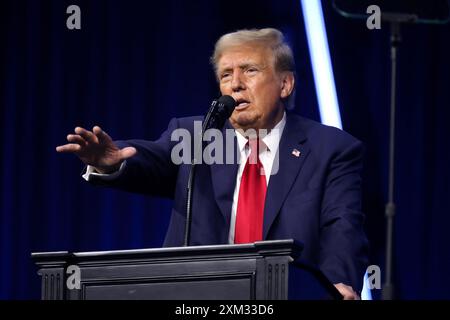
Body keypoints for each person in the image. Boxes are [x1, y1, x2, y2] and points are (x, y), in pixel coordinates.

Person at [56, 28, 368, 299]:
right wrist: (111, 162)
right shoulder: (197, 136)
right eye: (226, 75)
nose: (235, 84)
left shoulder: (331, 148)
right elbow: (150, 158)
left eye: (249, 70)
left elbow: (343, 226)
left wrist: (336, 282)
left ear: (285, 84)